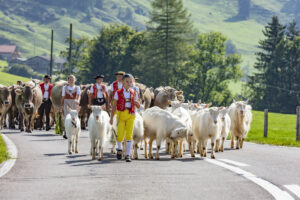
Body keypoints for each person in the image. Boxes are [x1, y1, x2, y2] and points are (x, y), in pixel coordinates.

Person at [110, 74, 140, 162]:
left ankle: (127, 155)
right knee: (120, 135)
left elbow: (138, 105)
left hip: (131, 115)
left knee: (129, 135)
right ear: (122, 82)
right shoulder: (118, 92)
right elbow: (114, 106)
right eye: (127, 81)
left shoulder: (134, 92)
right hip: (120, 115)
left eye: (131, 82)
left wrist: (136, 103)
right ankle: (119, 148)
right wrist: (111, 118)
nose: (129, 83)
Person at [60, 75, 81, 139]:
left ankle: (75, 130)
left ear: (75, 80)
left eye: (72, 79)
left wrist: (78, 100)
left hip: (74, 103)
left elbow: (78, 95)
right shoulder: (65, 88)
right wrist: (61, 106)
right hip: (67, 103)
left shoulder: (77, 87)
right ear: (68, 81)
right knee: (67, 117)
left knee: (74, 117)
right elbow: (63, 97)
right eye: (70, 80)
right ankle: (66, 132)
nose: (71, 81)